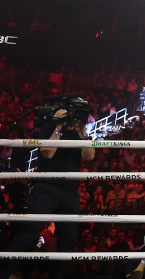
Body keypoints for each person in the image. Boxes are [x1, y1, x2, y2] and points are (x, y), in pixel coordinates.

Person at [0, 108, 95, 279]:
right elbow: (47, 152)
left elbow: (89, 156)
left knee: (69, 239)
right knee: (29, 233)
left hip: (70, 191)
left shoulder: (78, 132)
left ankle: (58, 276)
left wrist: (82, 132)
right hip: (47, 187)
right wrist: (57, 126)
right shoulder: (49, 126)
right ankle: (3, 272)